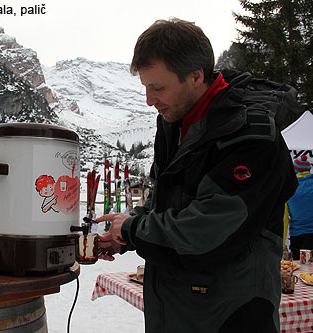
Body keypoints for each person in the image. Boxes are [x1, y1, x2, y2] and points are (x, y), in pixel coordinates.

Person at [95, 18, 299, 332]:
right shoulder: (175, 122)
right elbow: (164, 203)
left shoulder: (251, 135)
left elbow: (209, 233)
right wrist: (126, 234)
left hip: (232, 315)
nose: (149, 100)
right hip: (177, 311)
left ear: (196, 76)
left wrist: (136, 229)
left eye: (157, 87)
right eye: (145, 87)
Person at [284, 155, 313, 260]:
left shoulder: (290, 189)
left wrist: (282, 245)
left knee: (300, 270)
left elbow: (284, 219)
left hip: (298, 238)